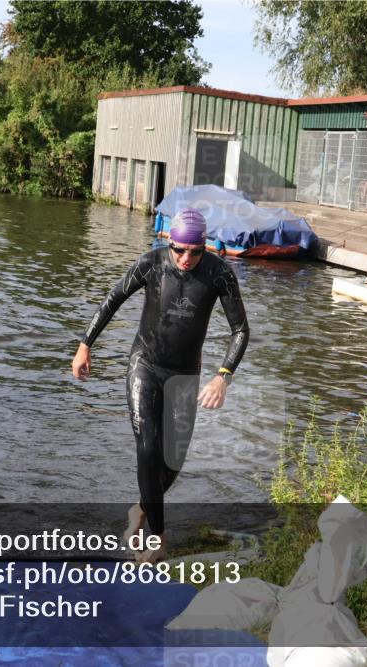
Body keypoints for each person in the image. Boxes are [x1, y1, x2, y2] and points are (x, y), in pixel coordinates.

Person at [72, 208, 249, 563]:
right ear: (169, 242)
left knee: (173, 462)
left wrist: (223, 375)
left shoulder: (219, 274)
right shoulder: (151, 263)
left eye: (195, 251)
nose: (186, 259)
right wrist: (85, 344)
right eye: (180, 250)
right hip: (145, 365)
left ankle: (141, 508)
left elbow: (240, 330)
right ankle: (159, 539)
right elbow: (113, 298)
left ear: (205, 247)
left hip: (184, 375)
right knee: (149, 448)